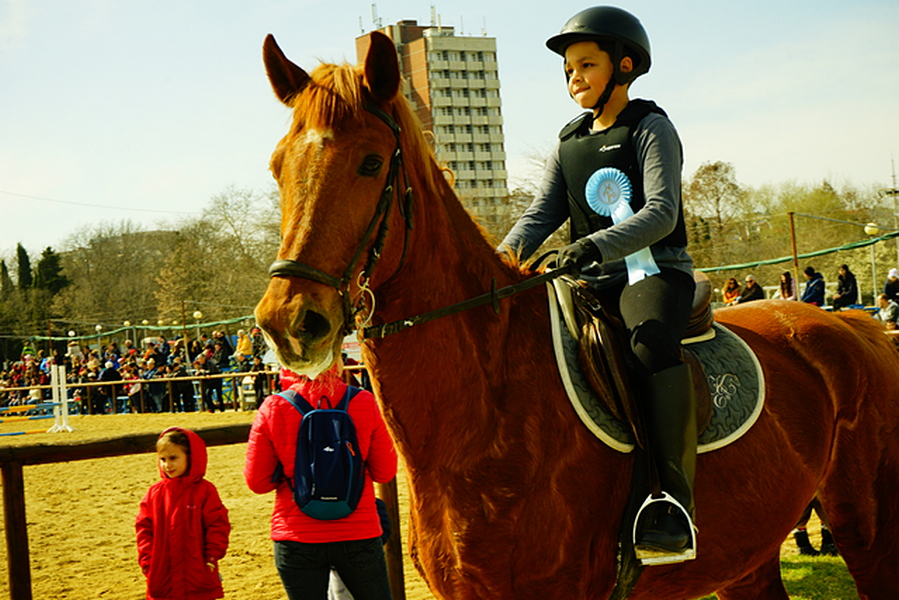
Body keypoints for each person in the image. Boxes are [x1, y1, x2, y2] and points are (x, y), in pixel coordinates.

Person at [498, 6, 696, 561]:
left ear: (624, 65)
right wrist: (499, 262)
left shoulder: (651, 128)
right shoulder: (569, 142)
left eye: (586, 64)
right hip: (586, 278)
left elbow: (661, 212)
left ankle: (672, 501)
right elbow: (541, 214)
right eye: (568, 70)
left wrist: (592, 246)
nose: (574, 77)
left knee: (649, 344)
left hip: (653, 272)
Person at [244, 366, 398, 600]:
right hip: (358, 529)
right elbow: (385, 472)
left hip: (297, 533)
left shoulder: (274, 406)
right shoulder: (364, 401)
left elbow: (258, 482)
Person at [136, 427, 230, 600]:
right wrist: (147, 562)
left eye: (173, 458)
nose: (167, 465)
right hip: (162, 574)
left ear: (190, 457)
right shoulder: (155, 493)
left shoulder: (205, 491)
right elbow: (144, 529)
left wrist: (211, 556)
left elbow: (217, 524)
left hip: (198, 572)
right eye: (163, 459)